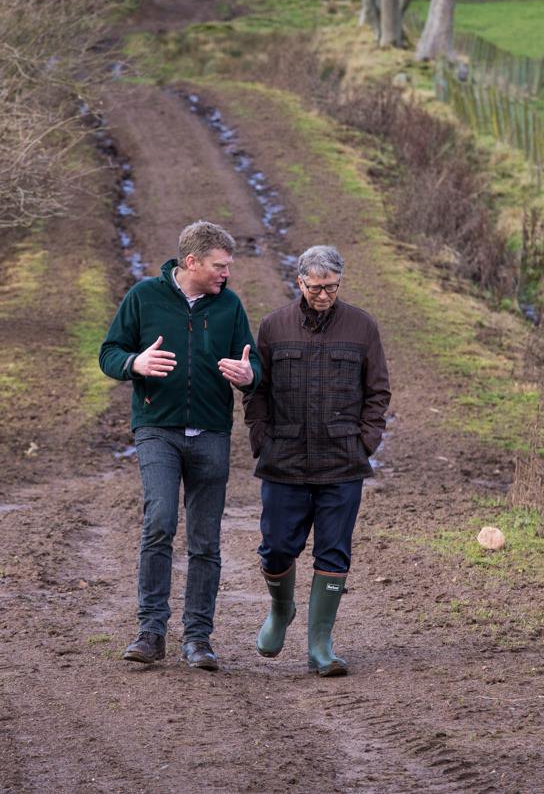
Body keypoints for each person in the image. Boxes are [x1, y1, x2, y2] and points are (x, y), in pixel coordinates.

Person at [99, 221, 261, 671]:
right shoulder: (144, 297)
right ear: (191, 262)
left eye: (227, 267)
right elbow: (108, 353)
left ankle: (198, 639)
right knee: (160, 521)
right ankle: (150, 632)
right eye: (219, 266)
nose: (225, 274)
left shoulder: (229, 305)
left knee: (205, 539)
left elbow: (254, 361)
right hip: (157, 429)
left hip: (211, 432)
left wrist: (250, 377)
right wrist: (136, 362)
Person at [243, 245, 390, 676]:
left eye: (331, 287)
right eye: (316, 287)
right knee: (275, 549)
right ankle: (280, 610)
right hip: (283, 460)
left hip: (343, 462)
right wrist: (261, 440)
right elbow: (257, 391)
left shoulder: (362, 327)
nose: (323, 295)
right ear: (299, 282)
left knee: (333, 552)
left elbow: (377, 391)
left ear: (340, 283)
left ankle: (320, 646)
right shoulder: (273, 327)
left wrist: (365, 441)